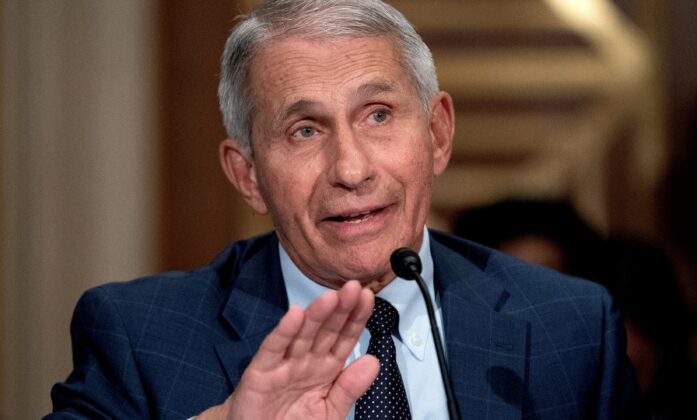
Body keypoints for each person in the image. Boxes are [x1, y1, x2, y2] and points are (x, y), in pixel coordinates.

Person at [46, 1, 645, 419]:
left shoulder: (569, 328)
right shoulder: (140, 336)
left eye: (378, 115)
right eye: (305, 131)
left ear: (438, 134)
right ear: (248, 175)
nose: (351, 169)